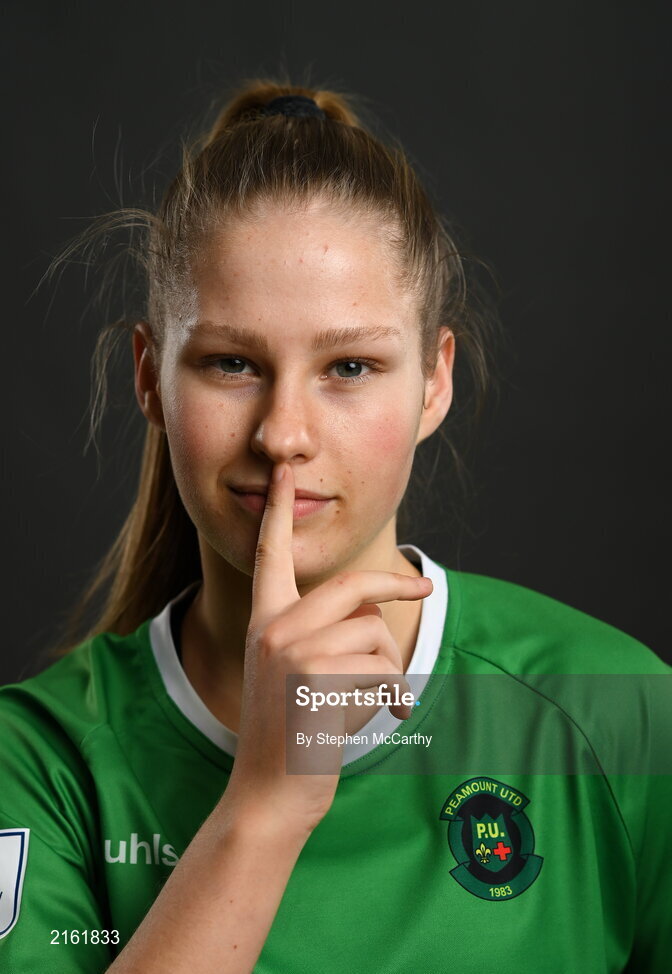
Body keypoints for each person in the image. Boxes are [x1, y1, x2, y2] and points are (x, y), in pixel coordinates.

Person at [0, 80, 669, 974]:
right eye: (231, 363)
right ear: (149, 374)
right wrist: (267, 802)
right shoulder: (39, 762)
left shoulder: (620, 712)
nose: (283, 434)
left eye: (349, 365)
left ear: (434, 383)